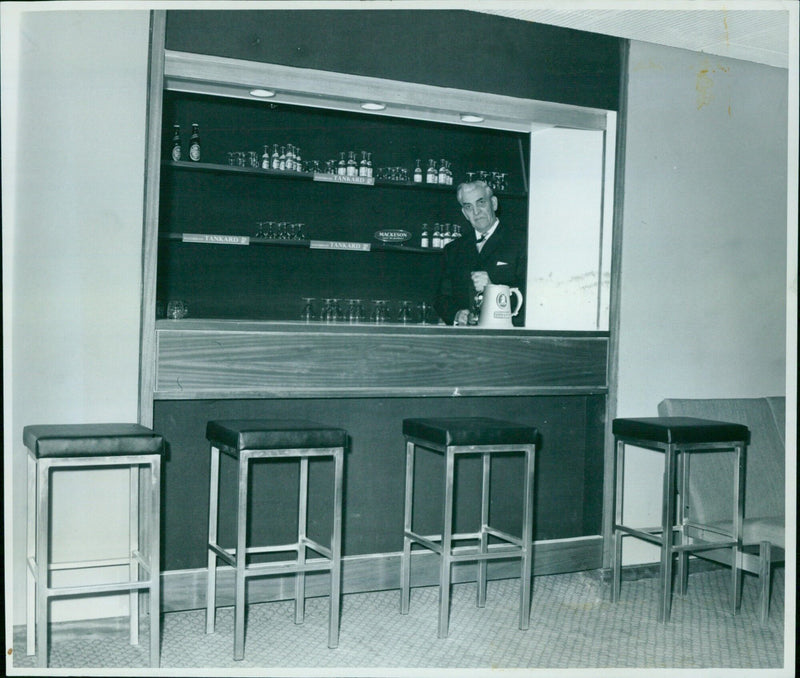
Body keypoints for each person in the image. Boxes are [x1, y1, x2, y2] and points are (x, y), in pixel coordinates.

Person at [433, 180, 526, 326]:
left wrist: (492, 290)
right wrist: (456, 315)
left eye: (481, 203)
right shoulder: (453, 249)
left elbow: (534, 298)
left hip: (506, 337)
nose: (476, 212)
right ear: (464, 213)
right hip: (464, 340)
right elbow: (442, 298)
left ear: (494, 203)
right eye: (468, 207)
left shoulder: (521, 243)